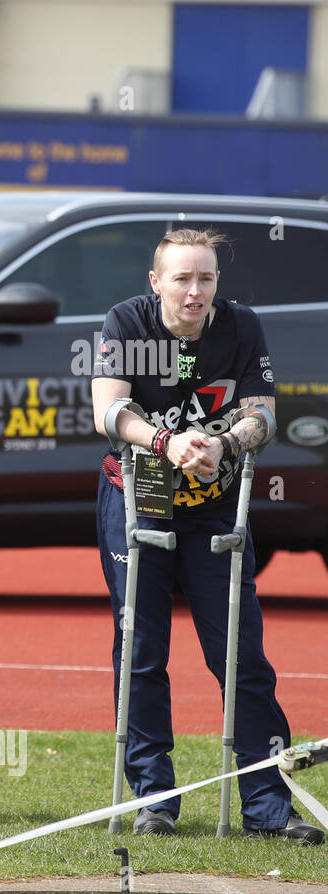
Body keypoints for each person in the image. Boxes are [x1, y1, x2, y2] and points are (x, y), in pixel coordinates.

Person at [91, 227, 323, 844]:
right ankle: (154, 797)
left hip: (215, 501)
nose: (196, 292)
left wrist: (220, 443)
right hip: (139, 496)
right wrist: (167, 442)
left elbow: (264, 413)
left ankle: (268, 804)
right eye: (183, 279)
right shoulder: (125, 323)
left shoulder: (241, 326)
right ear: (156, 282)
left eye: (208, 279)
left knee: (240, 651)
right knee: (140, 648)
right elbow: (107, 411)